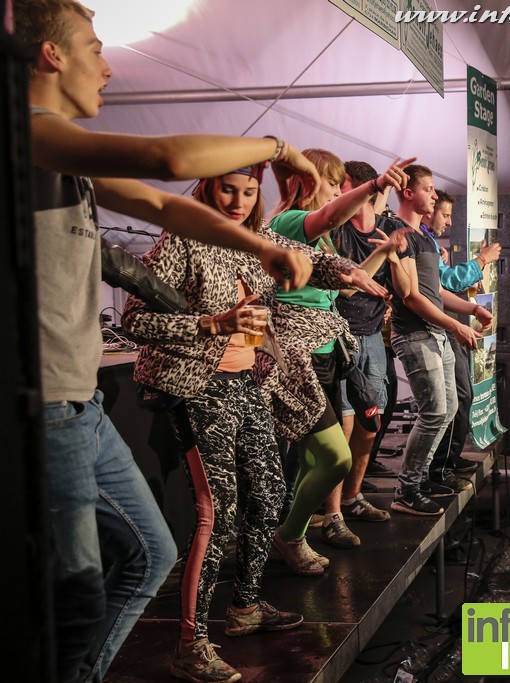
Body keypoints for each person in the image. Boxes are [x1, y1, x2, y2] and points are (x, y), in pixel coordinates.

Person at [14, 1, 319, 679]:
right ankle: (180, 643)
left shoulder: (66, 154)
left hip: (85, 407)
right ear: (51, 55)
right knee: (76, 599)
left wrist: (260, 249)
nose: (108, 66)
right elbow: (168, 160)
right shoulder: (28, 132)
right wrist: (276, 147)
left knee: (150, 555)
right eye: (95, 49)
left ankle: (226, 612)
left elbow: (161, 202)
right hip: (54, 410)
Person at [122, 166, 396, 682]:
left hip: (246, 379)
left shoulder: (254, 238)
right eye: (229, 189)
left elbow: (307, 255)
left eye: (249, 191)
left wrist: (350, 272)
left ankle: (245, 606)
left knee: (270, 494)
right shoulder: (182, 239)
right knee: (217, 512)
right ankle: (190, 644)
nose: (239, 200)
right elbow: (134, 319)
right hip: (195, 384)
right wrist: (214, 323)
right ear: (207, 187)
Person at [269, 149, 411, 553]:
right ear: (307, 182)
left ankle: (296, 532)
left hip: (328, 351)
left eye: (338, 185)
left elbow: (345, 286)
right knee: (330, 457)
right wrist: (376, 185)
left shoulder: (321, 237)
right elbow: (330, 216)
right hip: (300, 354)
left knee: (320, 458)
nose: (336, 191)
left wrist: (383, 252)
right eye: (332, 183)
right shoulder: (289, 221)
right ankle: (290, 533)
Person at [386, 165, 489, 516]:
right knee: (433, 412)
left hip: (435, 333)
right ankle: (407, 490)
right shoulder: (398, 233)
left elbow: (435, 291)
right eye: (428, 189)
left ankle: (420, 479)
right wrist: (456, 326)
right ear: (408, 193)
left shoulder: (424, 238)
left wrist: (472, 309)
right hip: (416, 333)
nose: (434, 195)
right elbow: (412, 297)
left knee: (448, 409)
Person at [422, 190, 499, 490]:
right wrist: (481, 260)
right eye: (445, 214)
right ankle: (436, 469)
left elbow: (443, 283)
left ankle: (446, 462)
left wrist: (472, 308)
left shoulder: (429, 242)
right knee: (447, 404)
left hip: (445, 327)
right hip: (435, 329)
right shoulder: (419, 241)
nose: (450, 222)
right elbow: (446, 282)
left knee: (458, 399)